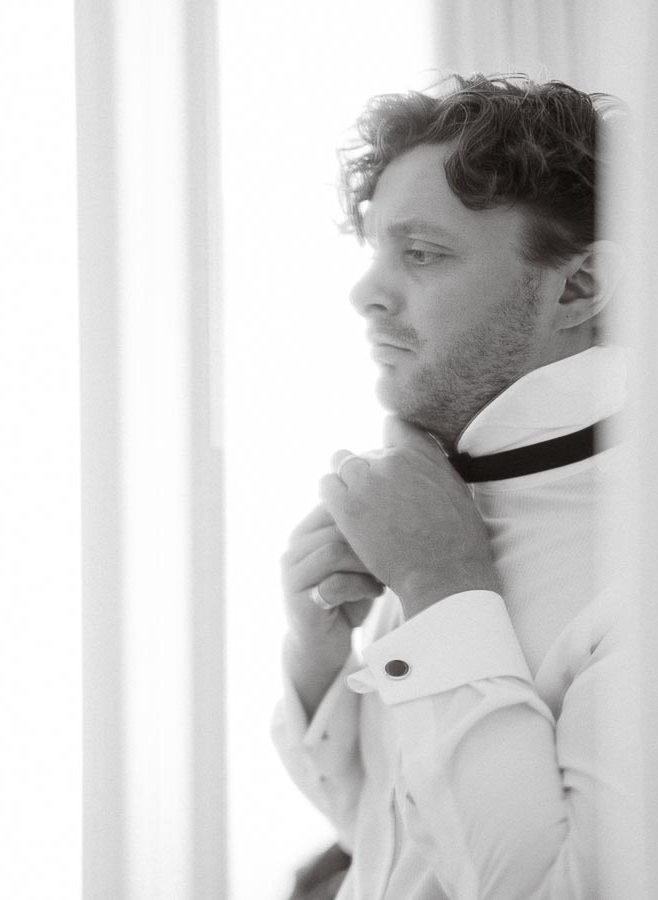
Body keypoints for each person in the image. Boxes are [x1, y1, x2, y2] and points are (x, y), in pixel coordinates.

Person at [273, 75, 640, 898]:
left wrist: (443, 587)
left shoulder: (634, 561)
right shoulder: (432, 506)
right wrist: (319, 659)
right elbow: (399, 845)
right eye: (375, 252)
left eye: (423, 253)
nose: (366, 293)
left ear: (578, 287)